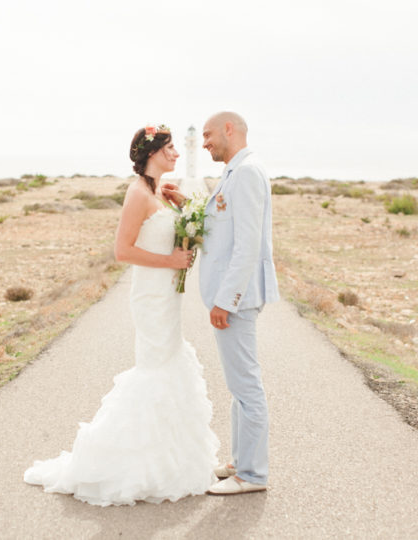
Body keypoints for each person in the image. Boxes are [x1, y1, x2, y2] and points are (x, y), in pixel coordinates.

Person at [23, 125, 220, 506]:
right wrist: (170, 260)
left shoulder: (155, 191)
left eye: (178, 147)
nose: (177, 153)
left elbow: (162, 227)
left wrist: (178, 206)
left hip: (166, 294)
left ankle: (168, 457)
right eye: (170, 148)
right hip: (150, 295)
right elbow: (122, 251)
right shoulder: (136, 193)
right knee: (155, 367)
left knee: (169, 362)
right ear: (152, 153)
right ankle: (134, 462)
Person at [163, 111, 279, 496]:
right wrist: (186, 203)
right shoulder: (236, 170)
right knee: (238, 385)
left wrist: (225, 301)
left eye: (209, 135)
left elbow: (246, 247)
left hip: (238, 299)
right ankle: (239, 461)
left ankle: (253, 474)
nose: (205, 142)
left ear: (229, 129)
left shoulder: (246, 173)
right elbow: (222, 227)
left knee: (246, 386)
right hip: (236, 297)